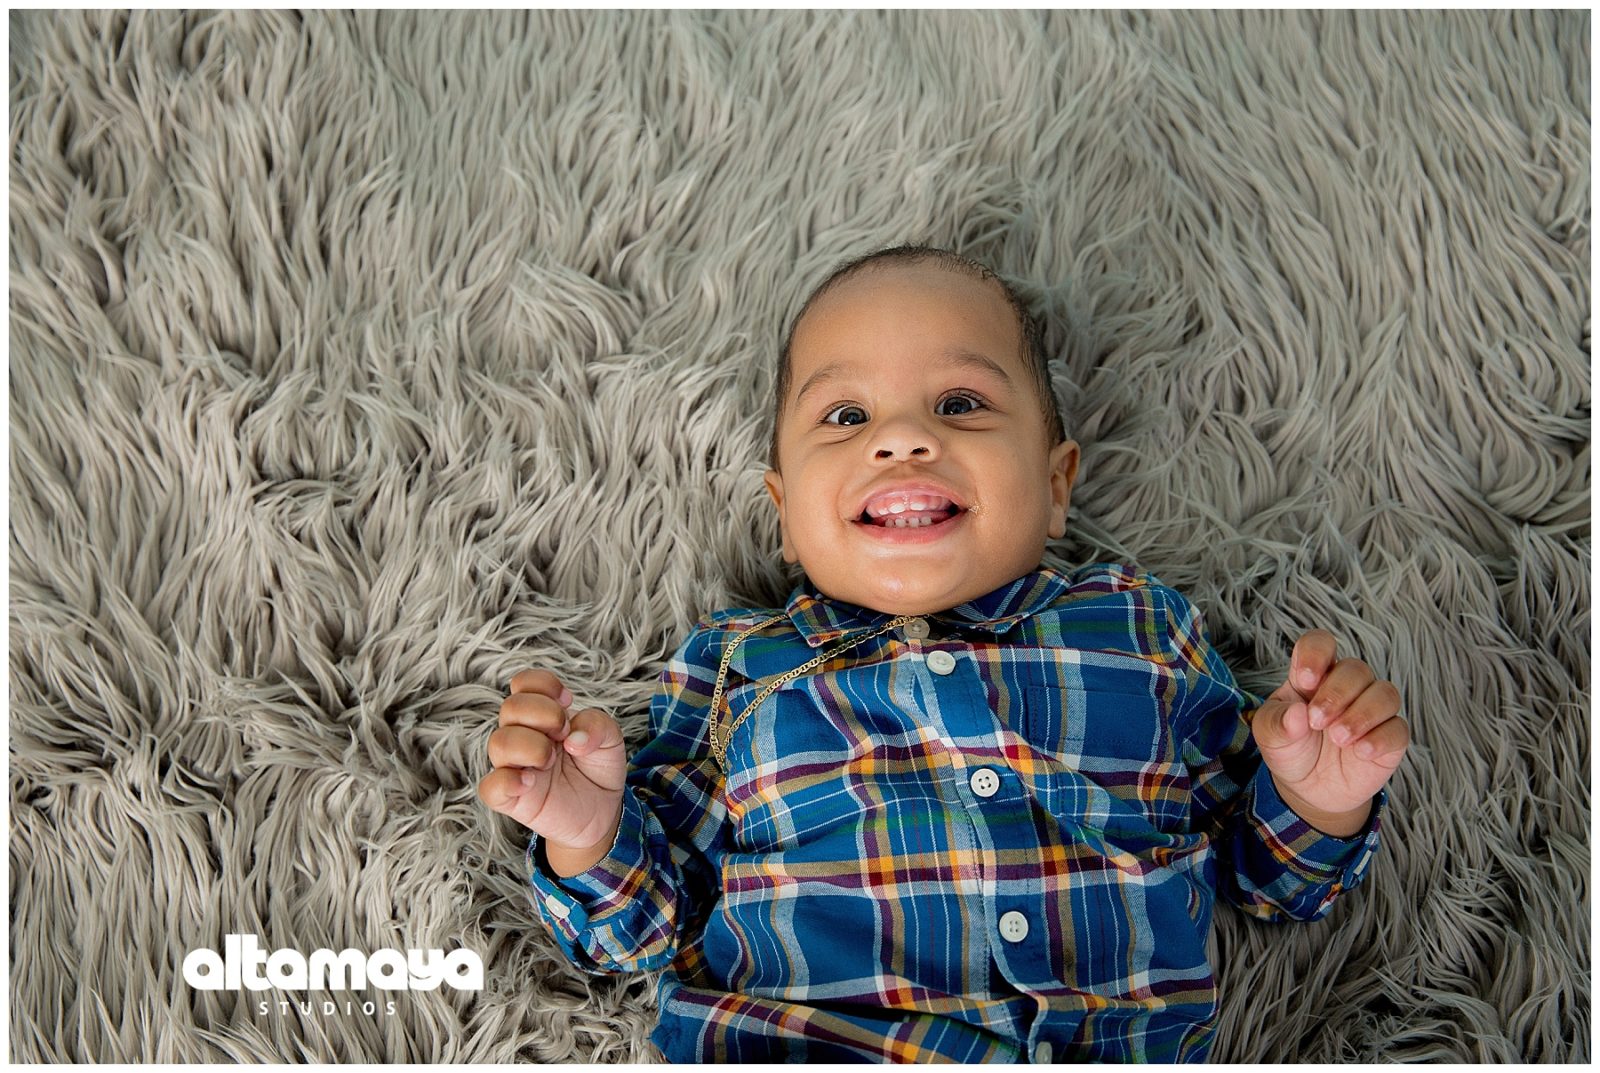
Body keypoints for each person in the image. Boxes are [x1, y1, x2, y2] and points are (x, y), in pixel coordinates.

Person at [478, 245, 1410, 1062]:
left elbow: (1264, 881)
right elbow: (651, 926)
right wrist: (587, 828)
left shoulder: (1137, 631)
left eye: (960, 403)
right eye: (845, 416)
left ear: (1055, 484)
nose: (901, 438)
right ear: (786, 514)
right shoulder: (741, 665)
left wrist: (1317, 795)